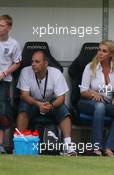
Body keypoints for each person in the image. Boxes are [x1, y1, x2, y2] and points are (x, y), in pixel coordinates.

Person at [16, 50, 76, 156]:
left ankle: (68, 146)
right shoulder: (25, 71)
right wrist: (38, 104)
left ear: (45, 64)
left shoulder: (56, 73)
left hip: (50, 104)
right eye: (32, 61)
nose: (33, 64)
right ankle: (20, 146)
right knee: (23, 107)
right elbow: (24, 95)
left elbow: (61, 98)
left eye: (37, 62)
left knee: (63, 109)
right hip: (33, 103)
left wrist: (51, 106)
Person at [79, 40, 114, 157]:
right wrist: (93, 95)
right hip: (88, 102)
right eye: (99, 50)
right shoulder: (90, 67)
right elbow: (83, 91)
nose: (100, 53)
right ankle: (96, 148)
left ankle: (109, 147)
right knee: (99, 106)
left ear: (111, 54)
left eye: (104, 51)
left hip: (107, 102)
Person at [0, 14, 21, 154]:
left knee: (2, 112)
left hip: (4, 82)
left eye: (1, 25)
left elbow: (17, 62)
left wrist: (4, 74)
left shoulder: (14, 44)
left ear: (9, 27)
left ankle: (1, 144)